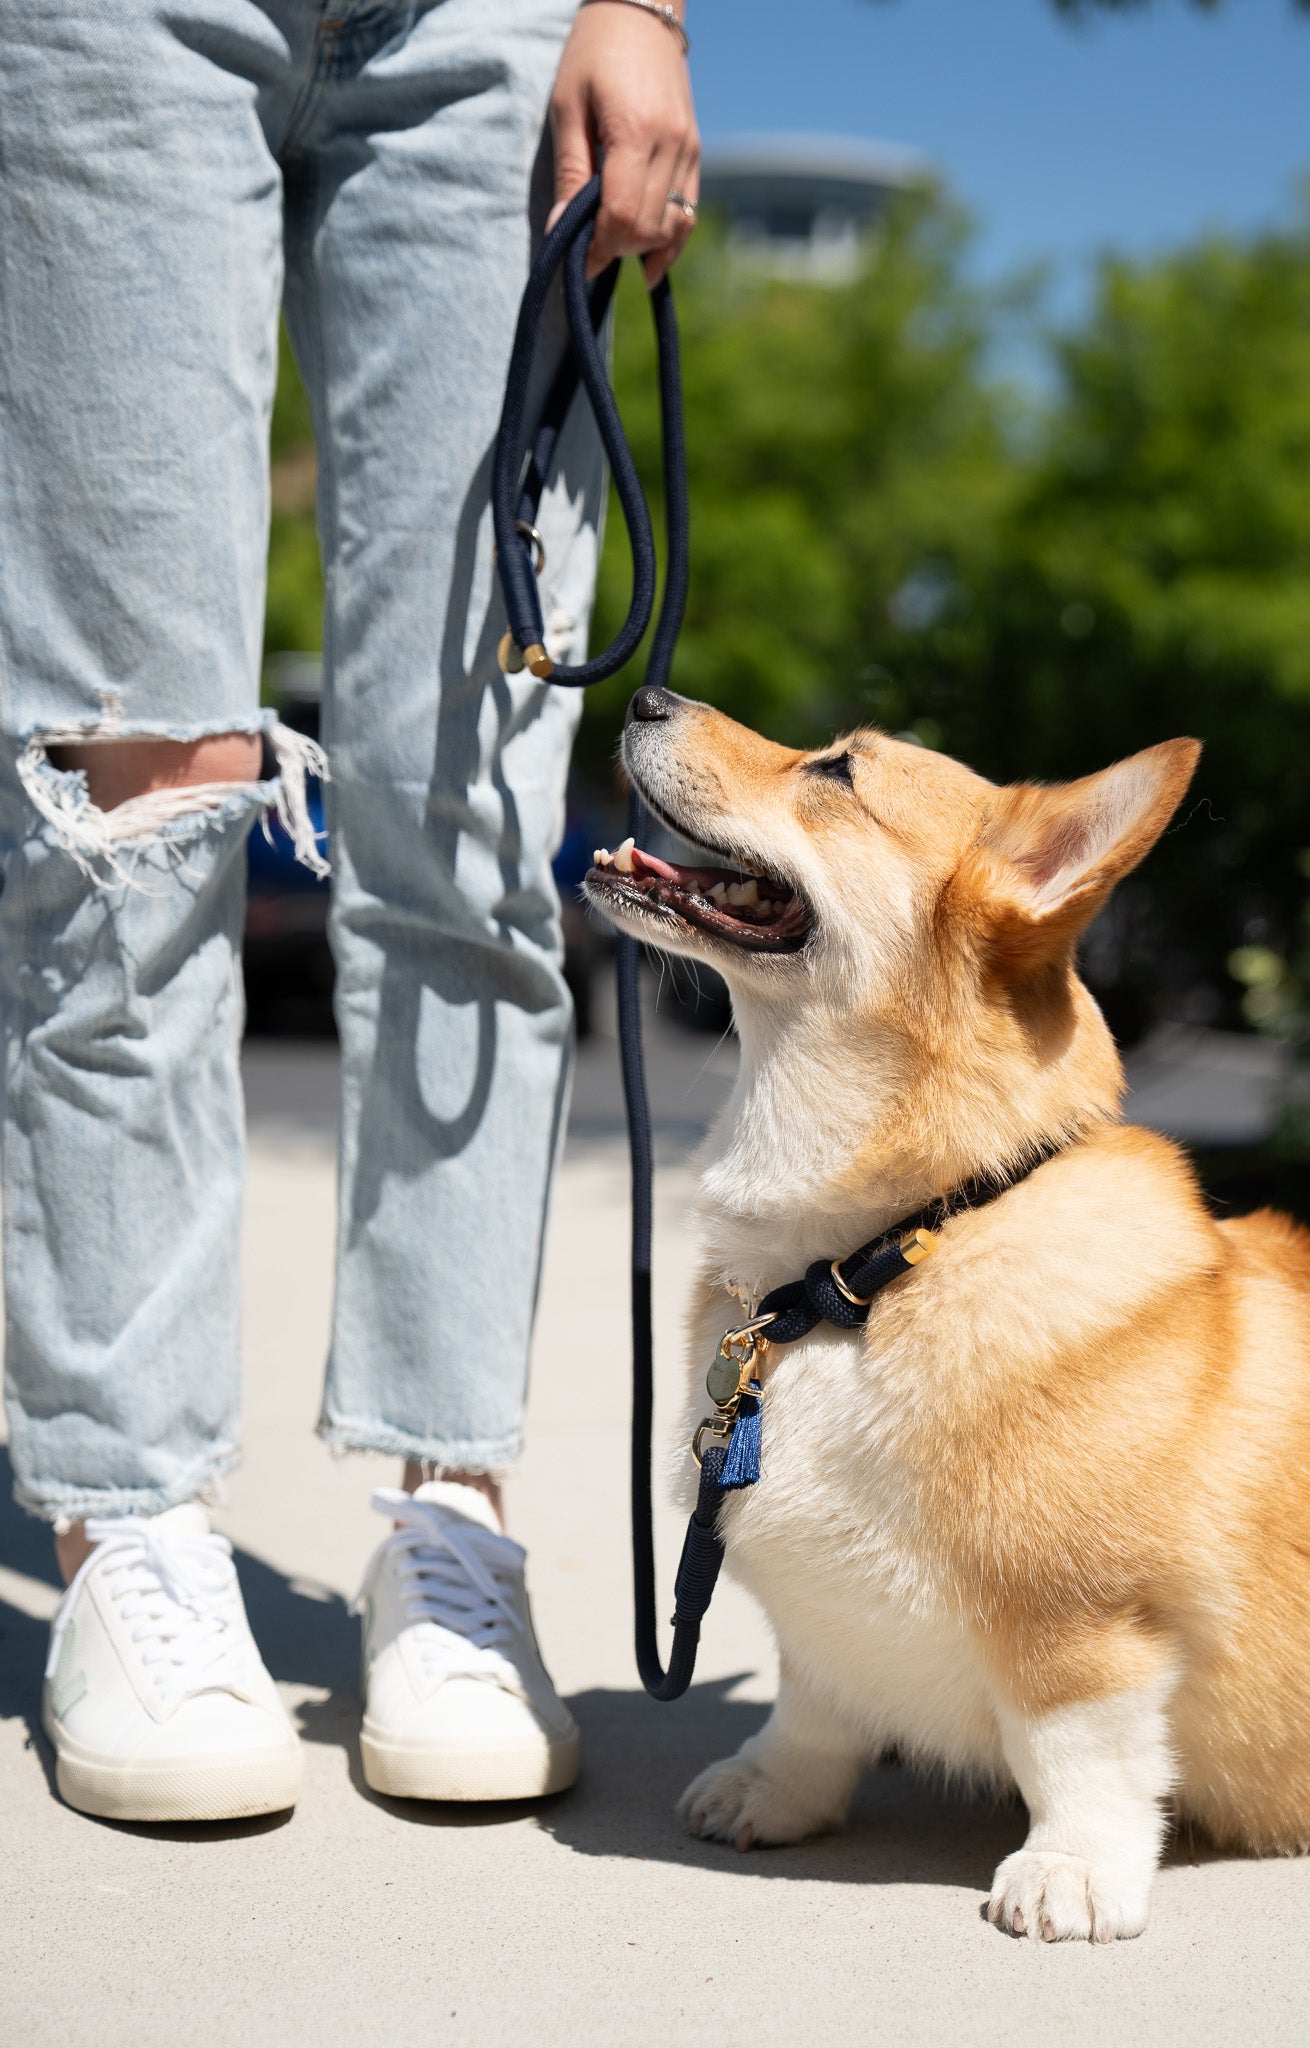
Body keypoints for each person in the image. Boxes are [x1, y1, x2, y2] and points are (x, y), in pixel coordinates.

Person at [0, 0, 698, 1822]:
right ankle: (131, 1523)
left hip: (491, 23)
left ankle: (445, 1521)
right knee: (134, 799)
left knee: (476, 819)